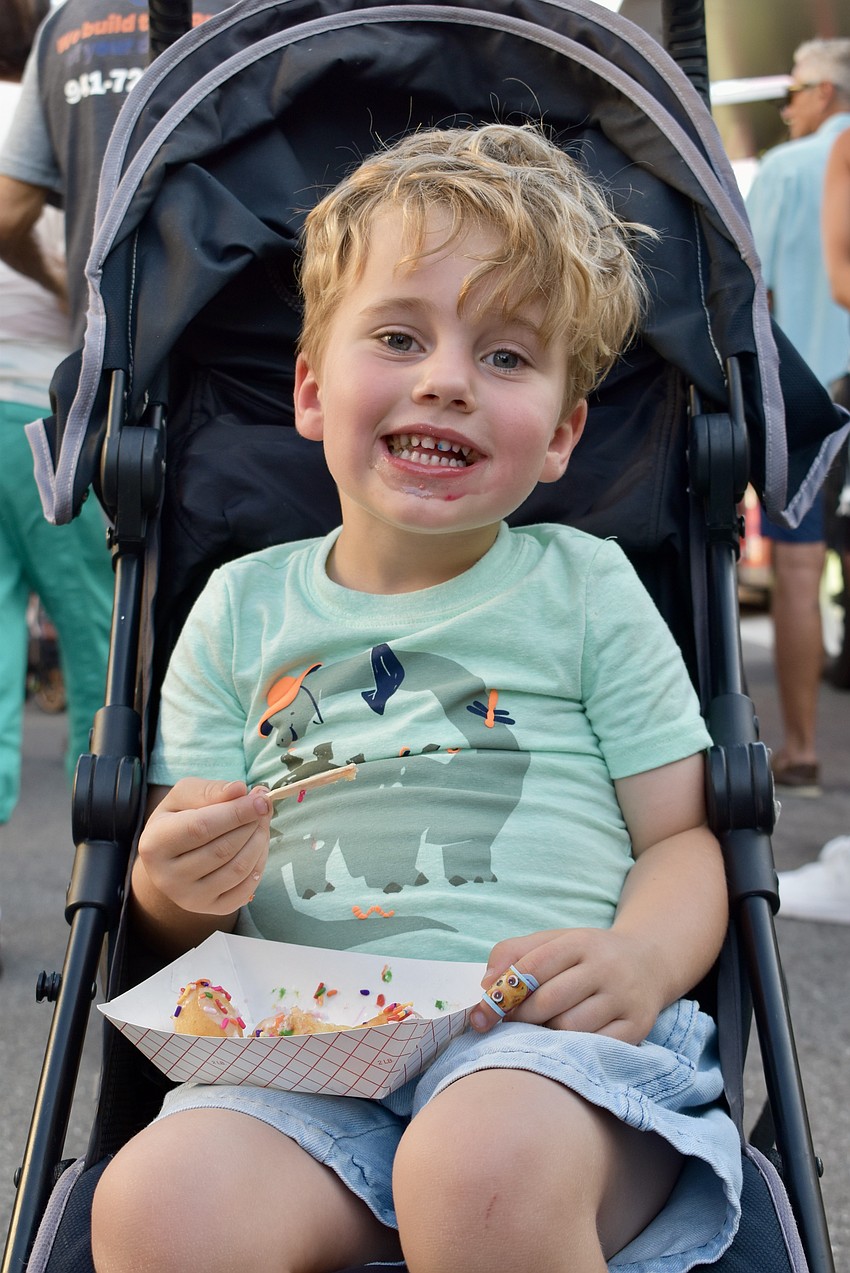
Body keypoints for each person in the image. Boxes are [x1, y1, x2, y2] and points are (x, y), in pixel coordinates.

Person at [90, 124, 742, 1273]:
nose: (445, 377)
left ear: (562, 432)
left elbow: (683, 836)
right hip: (303, 1052)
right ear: (309, 388)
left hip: (546, 1053)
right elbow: (179, 913)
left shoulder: (582, 589)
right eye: (398, 336)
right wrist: (166, 880)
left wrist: (640, 958)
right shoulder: (240, 609)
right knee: (155, 1203)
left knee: (477, 1165)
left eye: (505, 357)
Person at [0, 0, 114, 831]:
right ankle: (96, 878)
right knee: (97, 644)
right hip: (48, 414)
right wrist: (62, 286)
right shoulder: (54, 106)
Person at [745, 38, 850, 798]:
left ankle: (804, 749)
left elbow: (748, 296)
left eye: (796, 87)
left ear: (826, 93)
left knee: (799, 569)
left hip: (815, 398)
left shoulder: (785, 170)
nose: (787, 105)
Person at [0, 0, 227, 344]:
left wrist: (61, 283)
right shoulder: (282, 12)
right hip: (249, 337)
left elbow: (7, 215)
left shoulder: (65, 24)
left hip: (109, 345)